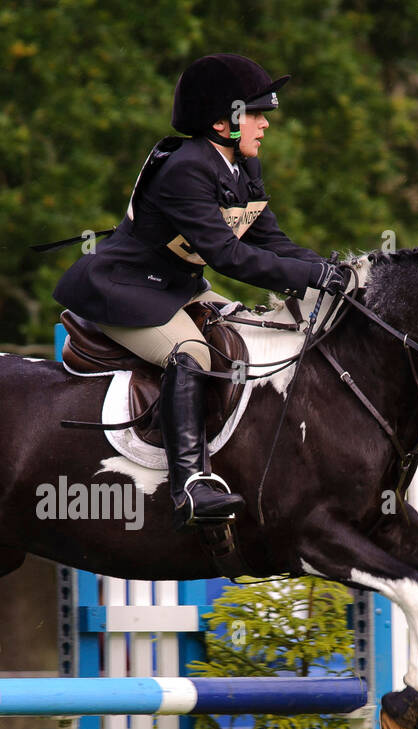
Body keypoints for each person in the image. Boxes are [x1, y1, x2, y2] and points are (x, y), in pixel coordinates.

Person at [54, 54, 350, 528]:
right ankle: (190, 484)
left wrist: (337, 270)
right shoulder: (187, 170)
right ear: (220, 121)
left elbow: (270, 241)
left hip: (176, 288)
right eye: (255, 114)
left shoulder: (241, 168)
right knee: (191, 352)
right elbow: (229, 257)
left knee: (249, 331)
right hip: (124, 290)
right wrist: (311, 279)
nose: (265, 125)